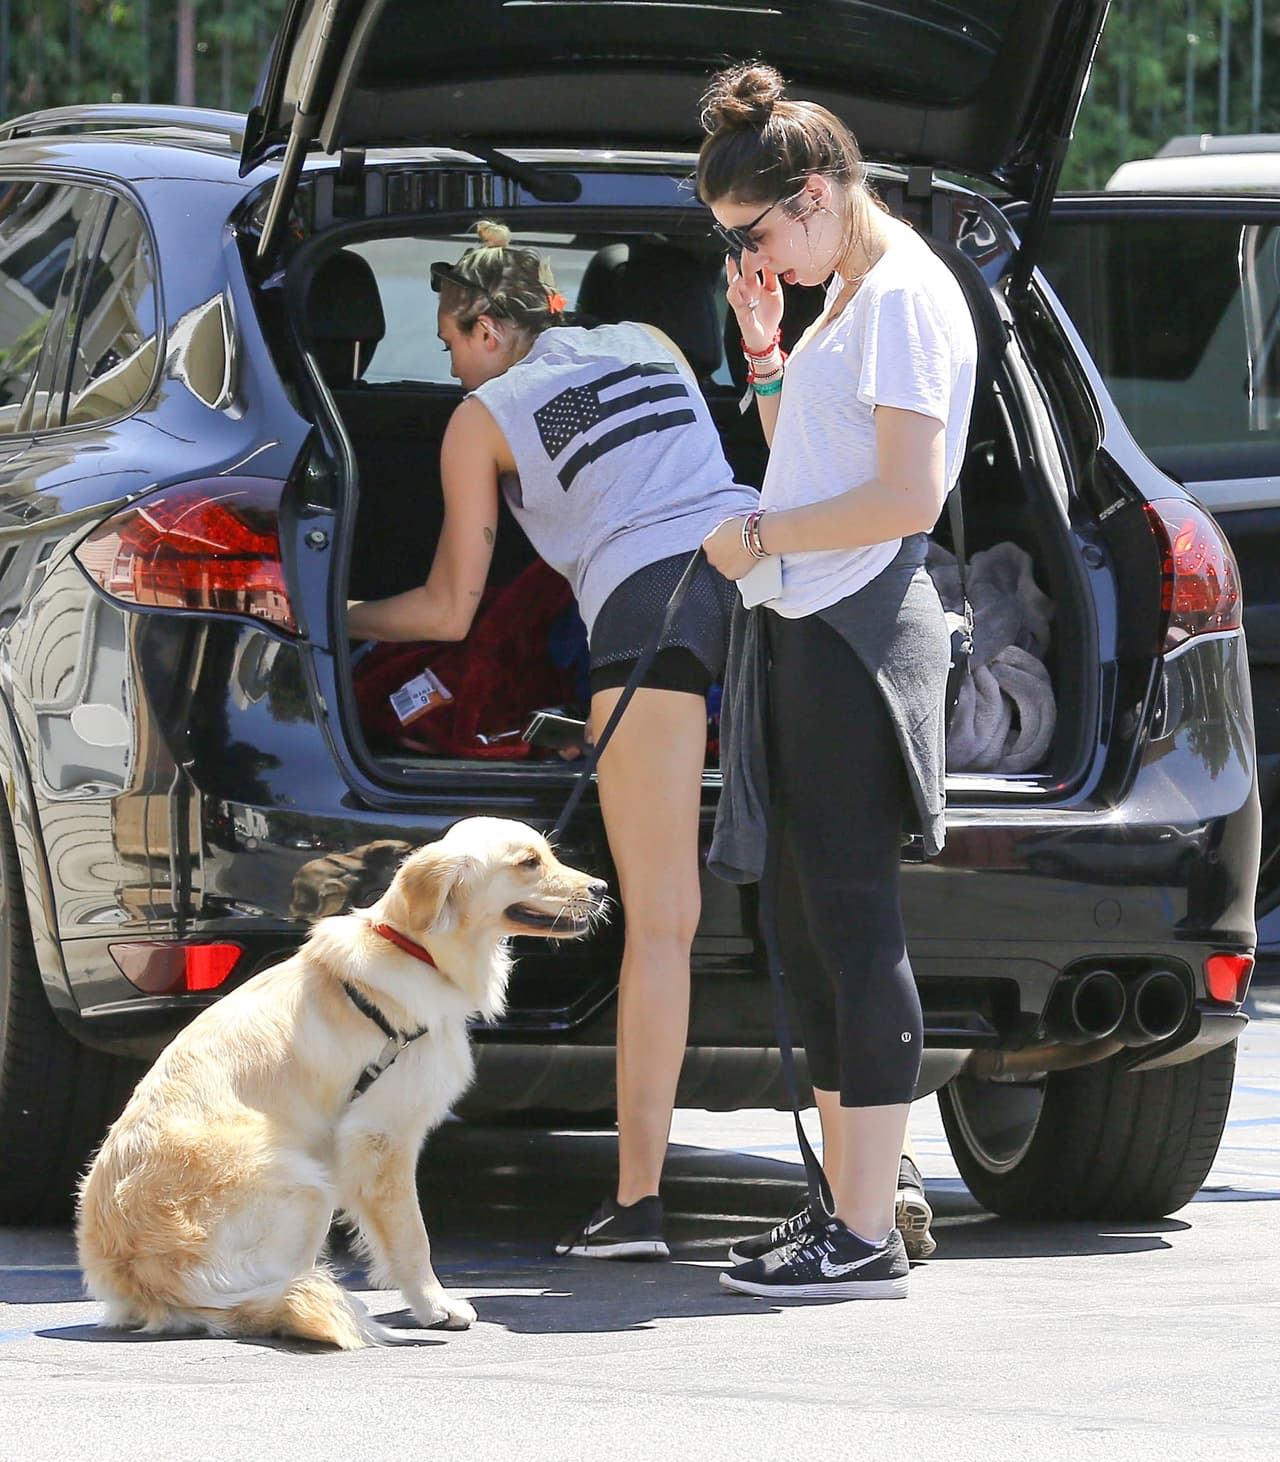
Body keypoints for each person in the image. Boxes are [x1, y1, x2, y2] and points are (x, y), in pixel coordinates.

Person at [346, 220, 760, 1260]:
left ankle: (634, 1204)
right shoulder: (650, 344)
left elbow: (449, 610)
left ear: (486, 327)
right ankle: (868, 1180)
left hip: (647, 610)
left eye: (447, 339)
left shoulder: (479, 418)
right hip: (765, 580)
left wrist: (336, 613)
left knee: (662, 921)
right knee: (813, 890)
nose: (446, 363)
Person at [697, 63, 977, 1299]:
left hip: (863, 631)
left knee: (852, 922)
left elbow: (906, 499)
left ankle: (864, 1231)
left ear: (811, 193)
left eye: (753, 234)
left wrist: (757, 542)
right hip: (812, 624)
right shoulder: (842, 295)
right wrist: (764, 355)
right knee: (807, 928)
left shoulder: (903, 294)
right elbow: (807, 461)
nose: (753, 259)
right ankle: (846, 1208)